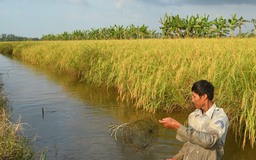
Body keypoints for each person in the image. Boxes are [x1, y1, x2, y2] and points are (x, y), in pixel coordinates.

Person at [159, 80, 229, 160]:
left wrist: (177, 126)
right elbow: (189, 143)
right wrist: (176, 158)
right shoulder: (193, 116)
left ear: (204, 97)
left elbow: (209, 141)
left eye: (194, 96)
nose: (192, 100)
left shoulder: (220, 117)